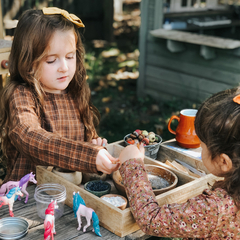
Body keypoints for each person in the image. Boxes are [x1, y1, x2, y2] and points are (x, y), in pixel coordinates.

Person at [0, 7, 119, 182]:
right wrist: (89, 155)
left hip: (70, 195)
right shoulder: (22, 95)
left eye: (70, 57)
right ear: (29, 63)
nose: (64, 67)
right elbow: (28, 135)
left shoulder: (75, 93)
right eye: (51, 60)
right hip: (28, 196)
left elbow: (85, 148)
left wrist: (94, 146)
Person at [118, 87, 240, 239]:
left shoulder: (214, 209)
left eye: (202, 146)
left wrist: (132, 165)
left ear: (224, 162)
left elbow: (149, 220)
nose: (201, 150)